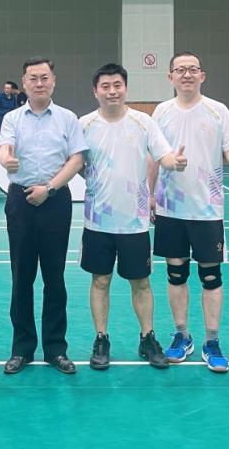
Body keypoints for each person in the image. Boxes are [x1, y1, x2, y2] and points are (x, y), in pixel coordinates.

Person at [79, 63, 186, 370]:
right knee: (100, 281)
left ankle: (147, 337)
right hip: (97, 221)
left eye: (117, 85)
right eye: (105, 86)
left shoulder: (143, 122)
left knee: (140, 282)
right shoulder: (84, 124)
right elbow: (74, 162)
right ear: (95, 91)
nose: (112, 91)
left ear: (125, 88)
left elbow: (163, 154)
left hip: (135, 223)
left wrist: (174, 161)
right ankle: (101, 338)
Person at [148, 52, 229, 372]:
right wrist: (149, 194)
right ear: (170, 77)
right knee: (176, 274)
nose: (186, 74)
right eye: (180, 70)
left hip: (207, 209)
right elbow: (153, 157)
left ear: (202, 75)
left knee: (211, 276)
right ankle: (182, 335)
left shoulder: (218, 111)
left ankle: (212, 340)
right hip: (171, 208)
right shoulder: (161, 112)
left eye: (192, 69)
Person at [0, 57, 87, 375]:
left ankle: (55, 349)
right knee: (21, 277)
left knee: (54, 277)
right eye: (33, 78)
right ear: (24, 82)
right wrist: (6, 160)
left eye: (44, 77)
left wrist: (48, 188)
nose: (39, 83)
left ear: (53, 81)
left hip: (55, 200)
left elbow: (76, 160)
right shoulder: (12, 118)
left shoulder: (67, 118)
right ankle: (21, 349)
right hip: (20, 201)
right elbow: (4, 148)